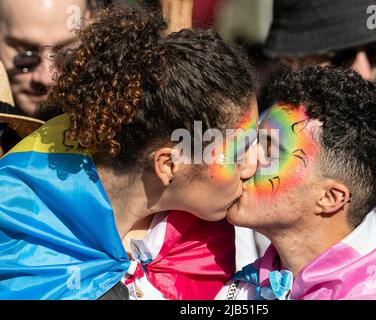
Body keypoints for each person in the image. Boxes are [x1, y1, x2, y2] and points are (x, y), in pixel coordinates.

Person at [0, 5, 258, 300]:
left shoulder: (204, 239)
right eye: (239, 153)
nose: (254, 166)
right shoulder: (17, 223)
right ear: (169, 165)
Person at [218, 65, 376, 300]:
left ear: (330, 198)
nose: (243, 158)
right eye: (252, 140)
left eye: (269, 152)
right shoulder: (249, 284)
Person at [253, 0, 376, 258]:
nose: (365, 72)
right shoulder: (252, 146)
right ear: (293, 60)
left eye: (375, 52)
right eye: (342, 57)